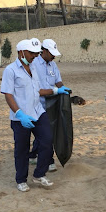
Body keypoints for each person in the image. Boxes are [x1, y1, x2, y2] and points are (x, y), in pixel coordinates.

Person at [1, 38, 56, 192]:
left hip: (38, 112)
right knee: (22, 149)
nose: (34, 56)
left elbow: (37, 91)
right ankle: (21, 179)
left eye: (36, 53)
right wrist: (19, 114)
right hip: (21, 117)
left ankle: (39, 174)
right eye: (32, 53)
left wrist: (55, 91)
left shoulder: (34, 68)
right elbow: (8, 95)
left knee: (47, 140)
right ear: (21, 52)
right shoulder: (10, 70)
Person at [29, 38, 70, 172]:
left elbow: (58, 81)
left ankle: (34, 154)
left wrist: (65, 90)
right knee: (46, 133)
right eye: (51, 53)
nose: (53, 56)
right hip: (37, 104)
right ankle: (49, 159)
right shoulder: (33, 64)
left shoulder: (53, 65)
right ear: (44, 51)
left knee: (46, 131)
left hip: (52, 103)